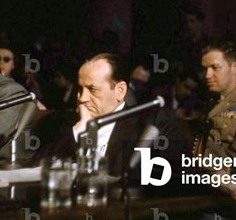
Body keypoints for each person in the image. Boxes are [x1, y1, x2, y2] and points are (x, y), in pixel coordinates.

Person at [40, 53, 189, 180]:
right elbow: (38, 167)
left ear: (120, 90)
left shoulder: (151, 122)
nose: (82, 98)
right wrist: (78, 130)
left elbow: (180, 177)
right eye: (80, 89)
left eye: (93, 89)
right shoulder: (70, 121)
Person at [193, 42, 236, 172]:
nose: (207, 75)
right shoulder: (211, 100)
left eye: (215, 67)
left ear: (234, 67)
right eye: (204, 69)